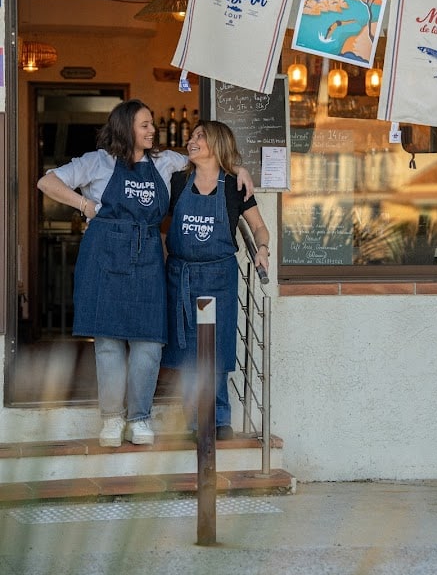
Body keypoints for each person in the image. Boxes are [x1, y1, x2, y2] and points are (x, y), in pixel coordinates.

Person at [36, 99, 253, 448]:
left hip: (148, 259)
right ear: (126, 129)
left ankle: (139, 418)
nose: (153, 130)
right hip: (104, 257)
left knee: (149, 344)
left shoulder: (165, 162)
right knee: (108, 343)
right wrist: (85, 205)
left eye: (152, 124)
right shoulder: (97, 161)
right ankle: (112, 418)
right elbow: (47, 182)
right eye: (145, 125)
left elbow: (210, 160)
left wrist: (239, 169)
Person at [161, 120, 270, 440]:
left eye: (200, 136)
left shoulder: (235, 185)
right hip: (181, 275)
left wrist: (263, 249)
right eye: (192, 135)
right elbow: (164, 227)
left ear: (216, 144)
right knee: (187, 349)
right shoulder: (178, 181)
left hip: (219, 276)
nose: (191, 140)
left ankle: (220, 419)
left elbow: (259, 227)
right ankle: (192, 421)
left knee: (218, 347)